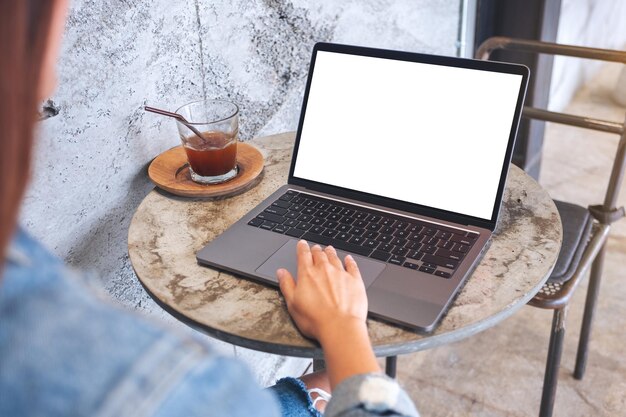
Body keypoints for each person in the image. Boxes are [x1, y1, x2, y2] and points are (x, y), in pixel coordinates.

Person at [0, 1, 419, 416]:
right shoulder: (173, 384)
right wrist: (343, 328)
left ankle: (318, 393)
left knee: (324, 381)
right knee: (340, 381)